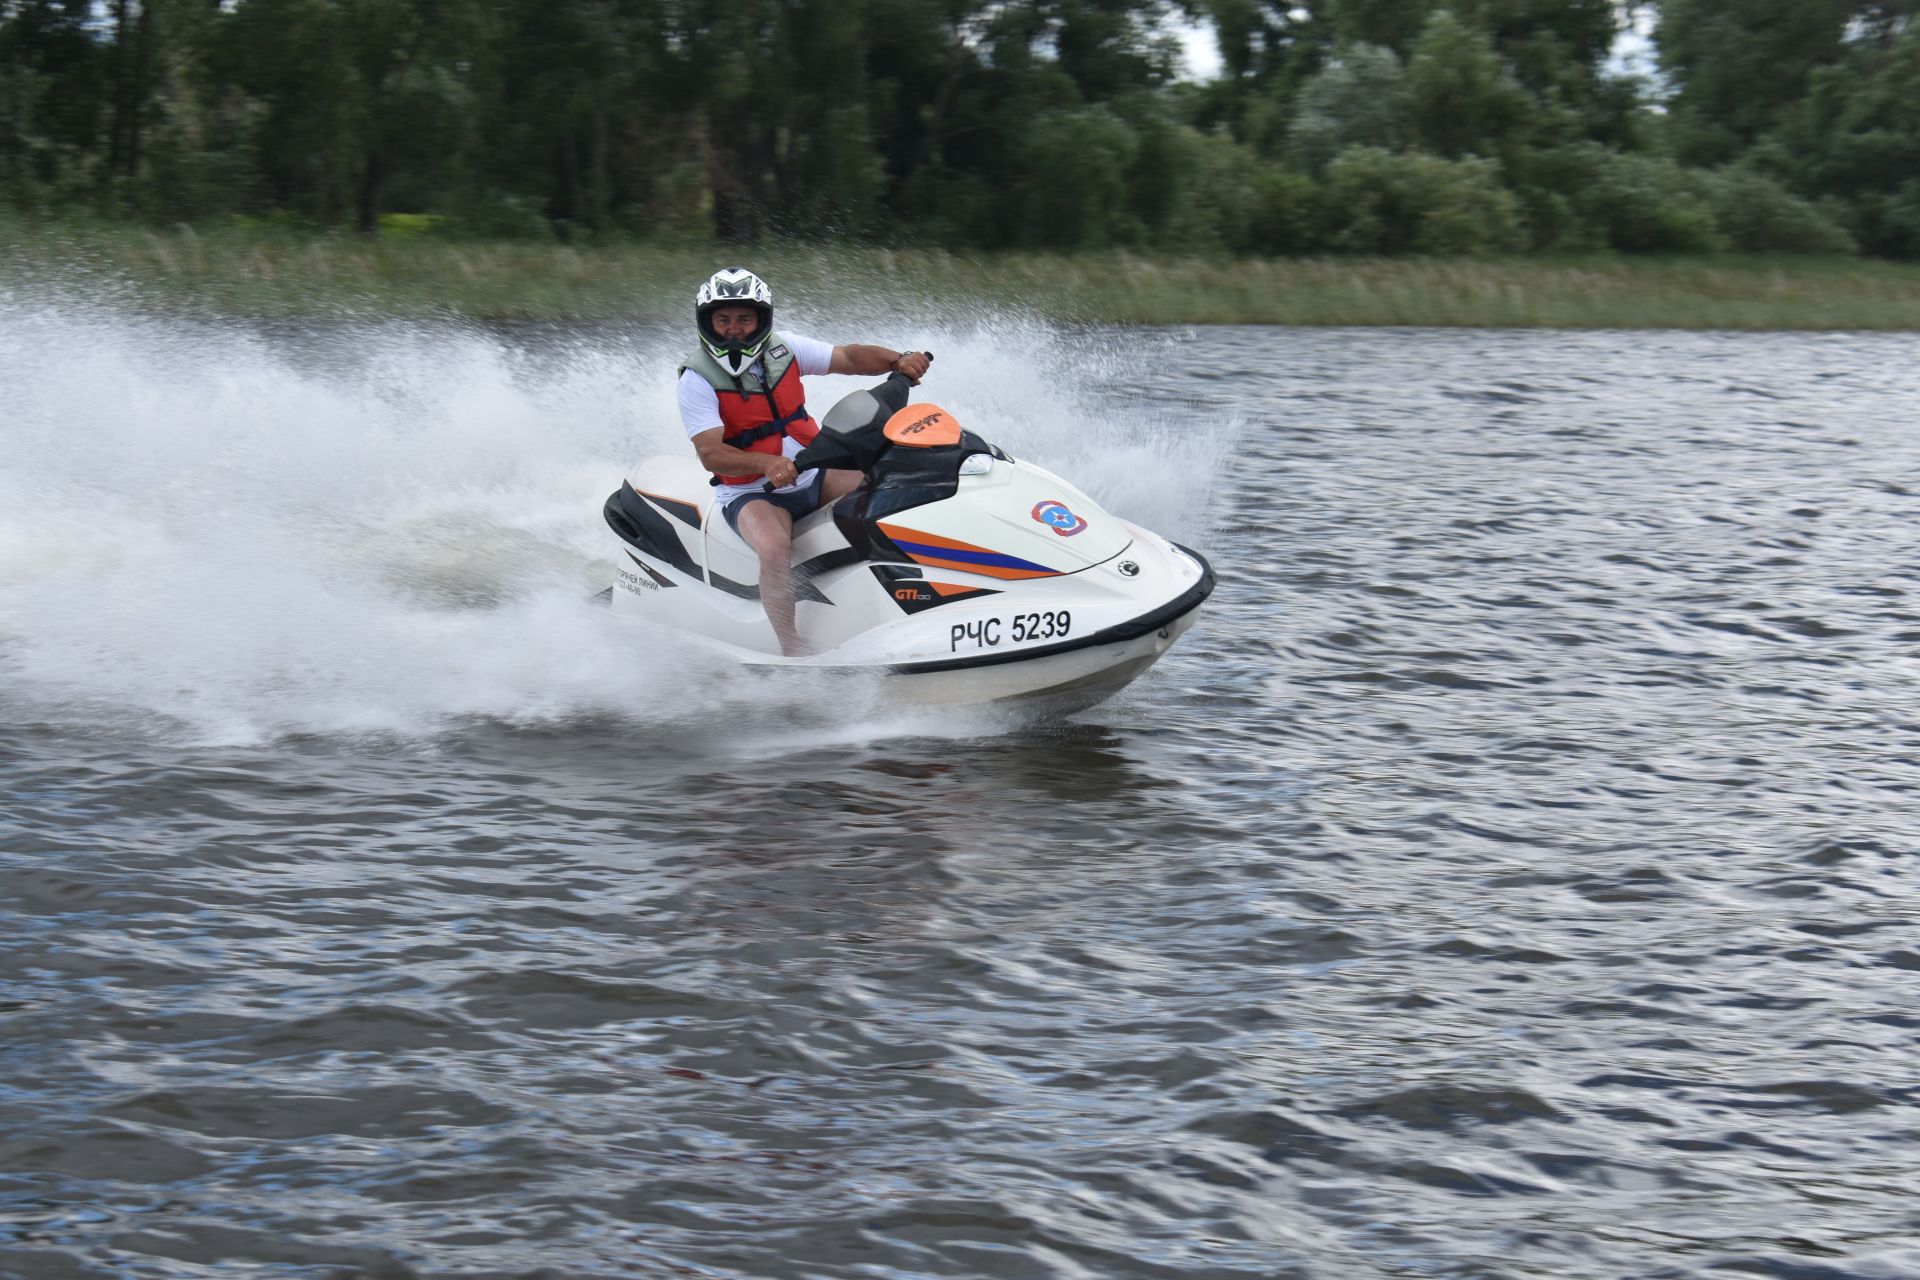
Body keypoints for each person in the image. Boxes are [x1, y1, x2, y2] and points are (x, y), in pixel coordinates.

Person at [679, 267, 931, 656]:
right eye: (723, 319)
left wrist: (899, 360)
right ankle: (792, 649)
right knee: (774, 546)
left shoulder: (786, 349)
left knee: (889, 491)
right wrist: (764, 464)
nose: (734, 329)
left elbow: (847, 357)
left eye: (744, 319)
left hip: (813, 472)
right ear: (707, 322)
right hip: (751, 491)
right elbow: (710, 452)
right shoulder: (696, 379)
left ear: (760, 320)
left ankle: (917, 597)